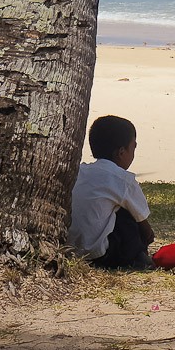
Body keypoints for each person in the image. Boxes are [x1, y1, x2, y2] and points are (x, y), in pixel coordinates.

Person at [69, 115, 155, 269]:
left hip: (69, 249)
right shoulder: (122, 179)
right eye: (133, 148)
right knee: (128, 215)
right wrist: (144, 241)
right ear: (121, 152)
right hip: (101, 256)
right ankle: (137, 258)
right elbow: (144, 225)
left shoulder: (79, 171)